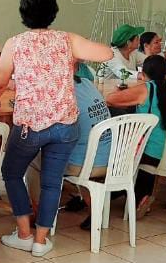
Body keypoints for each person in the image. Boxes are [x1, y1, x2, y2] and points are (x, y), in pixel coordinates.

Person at [0, 0, 116, 257]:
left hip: (30, 126)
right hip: (65, 126)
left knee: (11, 173)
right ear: (53, 13)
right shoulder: (67, 39)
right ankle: (41, 241)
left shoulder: (15, 43)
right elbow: (107, 54)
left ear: (23, 14)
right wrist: (73, 52)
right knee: (51, 182)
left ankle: (24, 234)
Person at [31, 66, 113, 230]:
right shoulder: (87, 84)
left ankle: (38, 213)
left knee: (32, 160)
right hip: (110, 160)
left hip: (84, 165)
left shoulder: (64, 94)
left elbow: (50, 130)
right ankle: (89, 205)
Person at [105, 55, 166, 215]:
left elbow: (111, 99)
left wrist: (121, 91)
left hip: (153, 156)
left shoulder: (145, 89)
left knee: (125, 152)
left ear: (143, 74)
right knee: (149, 150)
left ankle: (128, 195)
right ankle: (141, 197)